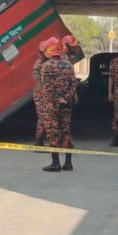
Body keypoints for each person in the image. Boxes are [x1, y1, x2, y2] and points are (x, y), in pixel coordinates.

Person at [40, 41, 77, 172]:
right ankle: (68, 163)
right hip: (66, 103)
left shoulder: (45, 66)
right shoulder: (69, 65)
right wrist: (65, 97)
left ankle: (55, 163)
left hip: (51, 104)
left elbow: (46, 86)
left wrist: (53, 100)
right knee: (66, 131)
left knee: (52, 132)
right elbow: (73, 84)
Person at [33, 39, 53, 147]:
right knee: (42, 118)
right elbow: (38, 83)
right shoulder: (38, 65)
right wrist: (45, 96)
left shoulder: (48, 63)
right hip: (40, 95)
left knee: (47, 117)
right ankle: (38, 142)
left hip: (46, 94)